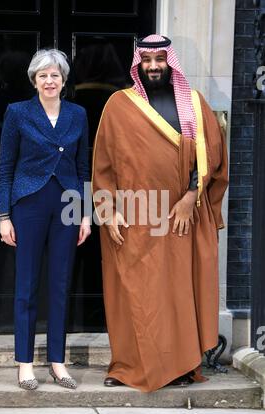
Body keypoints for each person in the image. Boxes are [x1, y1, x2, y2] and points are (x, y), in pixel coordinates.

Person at [92, 35, 228, 392]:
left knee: (176, 293)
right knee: (132, 294)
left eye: (160, 59)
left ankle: (181, 366)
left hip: (180, 216)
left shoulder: (195, 106)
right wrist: (107, 210)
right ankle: (126, 367)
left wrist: (190, 197)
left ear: (171, 62)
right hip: (133, 216)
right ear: (139, 63)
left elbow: (211, 158)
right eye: (147, 59)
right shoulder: (118, 106)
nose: (154, 65)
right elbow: (103, 165)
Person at [0, 49, 91, 390]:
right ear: (34, 80)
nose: (49, 81)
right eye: (43, 75)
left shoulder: (78, 114)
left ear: (63, 80)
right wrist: (4, 216)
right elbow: (5, 167)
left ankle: (57, 361)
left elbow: (83, 168)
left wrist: (86, 215)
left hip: (67, 204)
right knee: (26, 285)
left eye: (55, 75)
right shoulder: (18, 113)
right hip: (29, 205)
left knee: (60, 283)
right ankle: (24, 364)